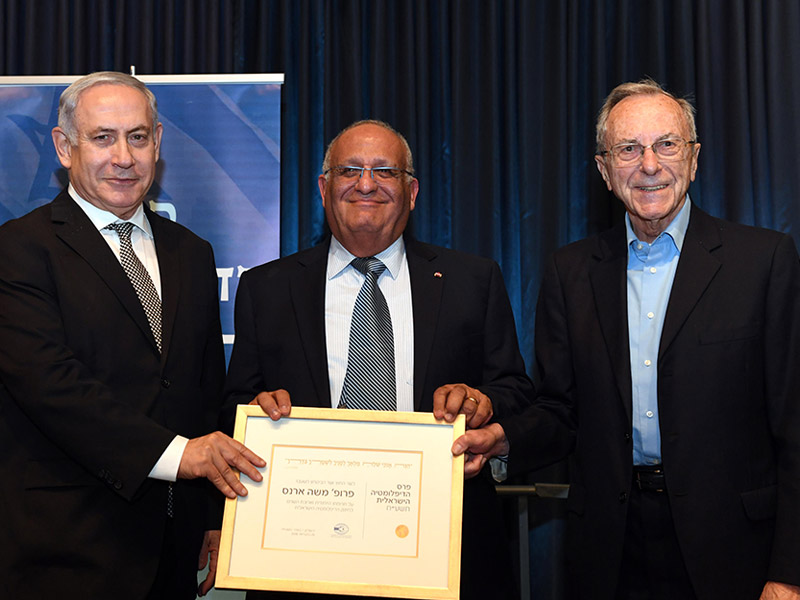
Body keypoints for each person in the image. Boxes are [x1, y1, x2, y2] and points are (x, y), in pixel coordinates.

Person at [453, 79, 800, 600]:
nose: (650, 165)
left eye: (666, 144)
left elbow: (795, 428)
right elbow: (558, 411)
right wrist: (501, 439)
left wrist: (789, 571)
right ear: (603, 170)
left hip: (734, 550)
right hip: (609, 551)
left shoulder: (763, 262)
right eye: (628, 149)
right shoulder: (570, 272)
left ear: (695, 157)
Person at [223, 119, 533, 599]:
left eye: (384, 171)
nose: (366, 184)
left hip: (443, 551)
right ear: (324, 189)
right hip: (305, 557)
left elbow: (515, 390)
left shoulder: (473, 281)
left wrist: (482, 403)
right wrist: (258, 407)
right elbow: (235, 402)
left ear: (410, 192)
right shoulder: (266, 289)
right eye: (350, 170)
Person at [0, 71, 266, 600]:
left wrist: (215, 515)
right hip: (64, 548)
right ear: (63, 147)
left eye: (138, 137)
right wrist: (176, 455)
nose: (124, 156)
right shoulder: (19, 249)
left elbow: (203, 392)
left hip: (172, 549)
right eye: (103, 137)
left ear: (158, 142)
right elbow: (53, 387)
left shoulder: (192, 252)